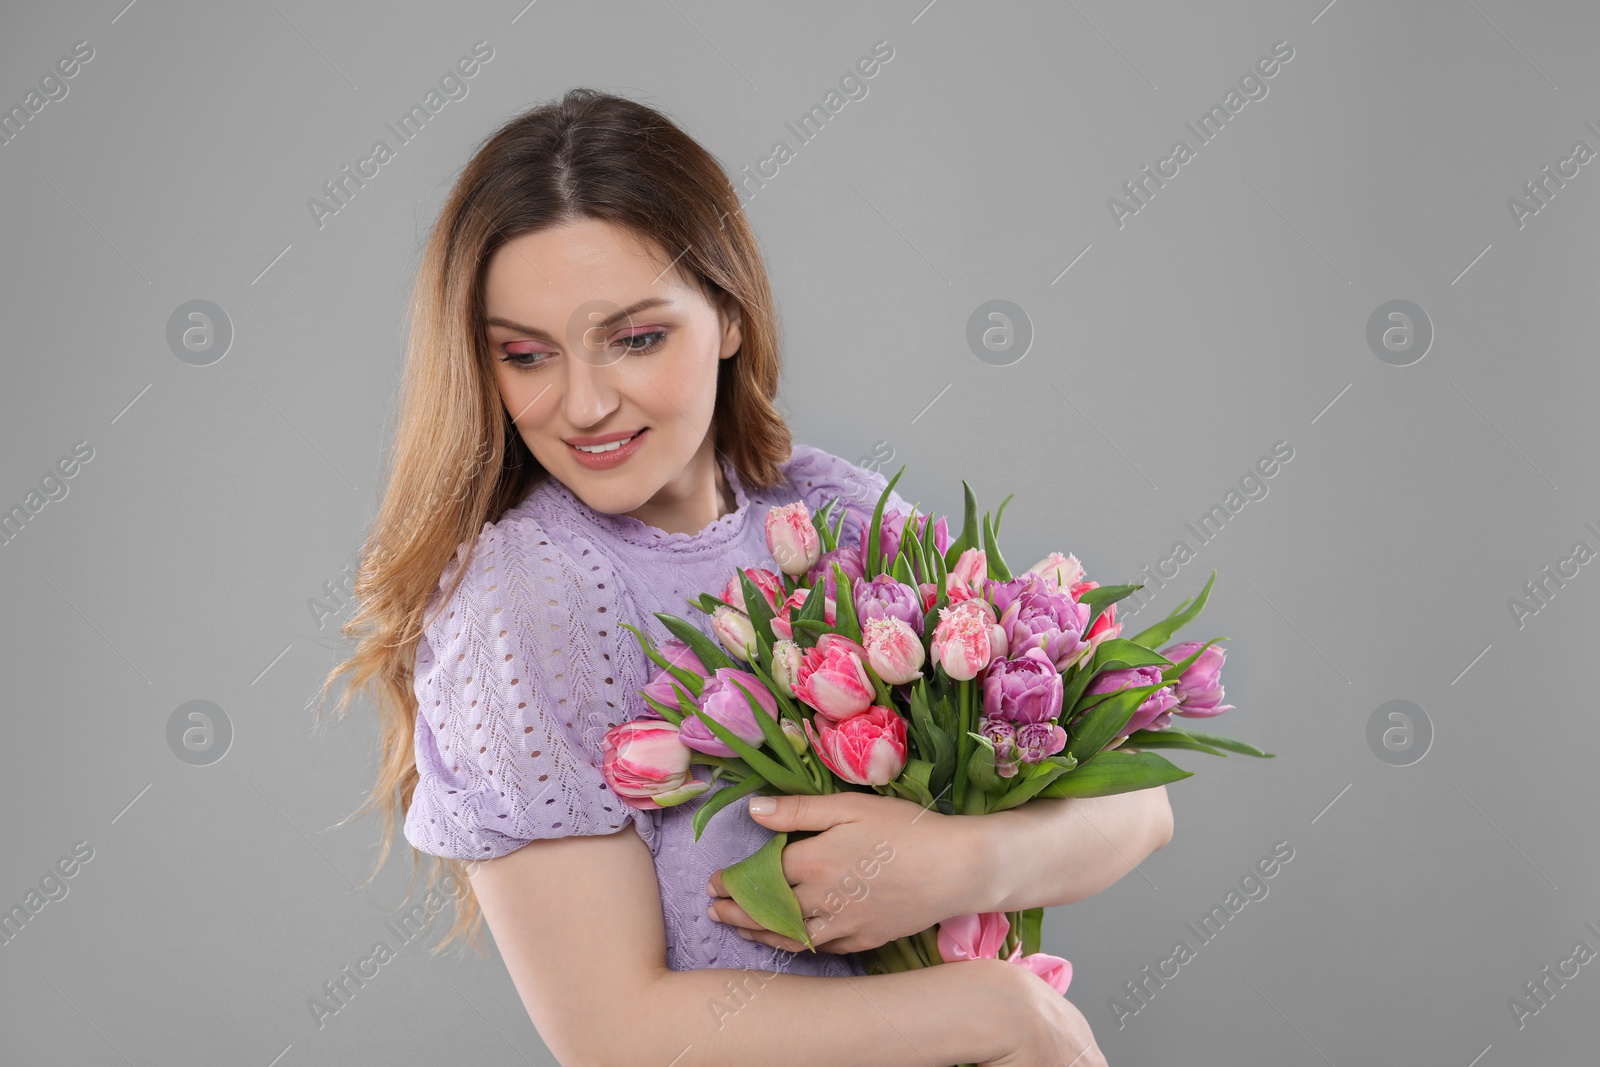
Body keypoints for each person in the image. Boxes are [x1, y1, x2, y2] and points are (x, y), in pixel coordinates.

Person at [317, 87, 1171, 1066]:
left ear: (726, 313)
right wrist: (1004, 1015)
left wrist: (953, 863)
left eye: (636, 337)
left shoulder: (829, 512)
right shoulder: (536, 596)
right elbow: (615, 1032)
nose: (585, 403)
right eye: (526, 354)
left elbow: (1142, 801)